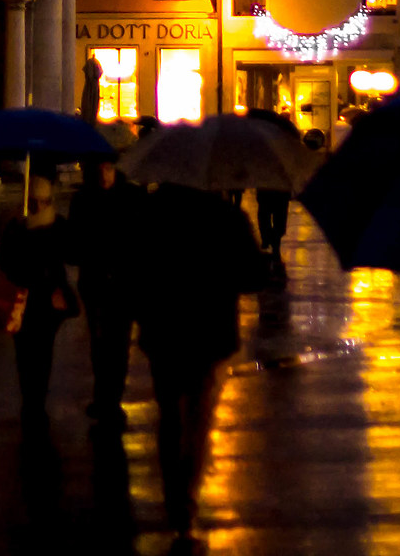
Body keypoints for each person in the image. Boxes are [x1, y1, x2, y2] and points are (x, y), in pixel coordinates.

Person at [132, 181, 269, 540]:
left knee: (169, 416)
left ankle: (172, 492)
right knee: (198, 416)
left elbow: (134, 266)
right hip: (209, 332)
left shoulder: (152, 212)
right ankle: (186, 498)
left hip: (163, 328)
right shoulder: (227, 217)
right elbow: (253, 277)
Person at [66, 156, 145, 424]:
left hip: (124, 283)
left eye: (108, 169)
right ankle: (103, 396)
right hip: (95, 282)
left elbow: (140, 241)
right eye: (99, 170)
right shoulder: (83, 199)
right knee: (100, 342)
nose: (104, 176)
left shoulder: (132, 197)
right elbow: (73, 246)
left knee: (119, 342)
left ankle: (112, 397)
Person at [0, 174, 76, 423]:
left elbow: (71, 254)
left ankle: (36, 400)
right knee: (25, 353)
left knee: (43, 353)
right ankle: (30, 399)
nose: (39, 206)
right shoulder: (17, 226)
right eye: (34, 201)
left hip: (49, 301)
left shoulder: (57, 226)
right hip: (23, 300)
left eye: (44, 201)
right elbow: (5, 262)